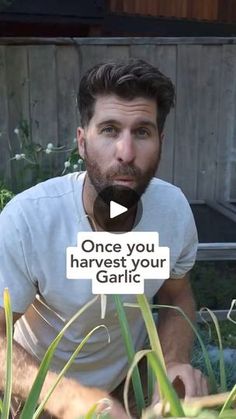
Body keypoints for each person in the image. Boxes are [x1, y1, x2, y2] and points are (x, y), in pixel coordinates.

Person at [0, 59, 208, 418]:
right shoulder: (28, 220)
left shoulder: (172, 212)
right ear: (82, 142)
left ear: (161, 141)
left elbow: (177, 292)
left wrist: (172, 363)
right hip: (38, 393)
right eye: (110, 130)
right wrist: (73, 400)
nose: (126, 153)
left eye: (142, 132)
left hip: (126, 388)